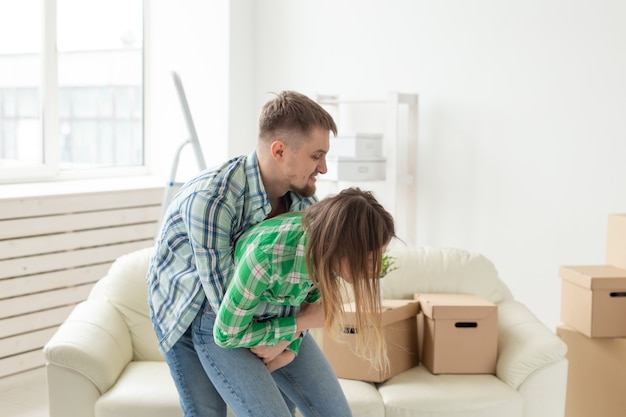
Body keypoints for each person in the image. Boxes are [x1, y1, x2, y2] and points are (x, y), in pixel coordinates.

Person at [147, 91, 337, 417]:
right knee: (207, 412)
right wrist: (292, 329)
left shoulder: (306, 205)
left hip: (261, 315)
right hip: (193, 315)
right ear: (279, 150)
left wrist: (288, 342)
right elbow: (227, 310)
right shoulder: (213, 199)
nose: (323, 167)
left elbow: (307, 288)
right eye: (316, 155)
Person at [206, 187, 396, 417]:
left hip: (276, 318)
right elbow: (226, 334)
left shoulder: (330, 259)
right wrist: (295, 326)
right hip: (226, 322)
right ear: (338, 245)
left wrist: (288, 349)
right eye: (367, 259)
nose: (373, 270)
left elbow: (307, 309)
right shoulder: (268, 253)